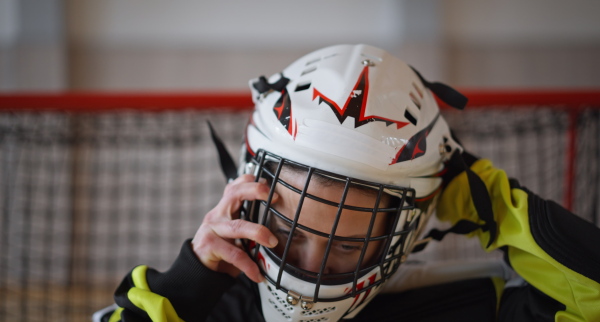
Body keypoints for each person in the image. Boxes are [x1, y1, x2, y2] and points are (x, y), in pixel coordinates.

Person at [95, 44, 600, 322]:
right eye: (291, 233)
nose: (312, 272)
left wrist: (493, 202)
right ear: (247, 198)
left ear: (411, 223)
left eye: (347, 247)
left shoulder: (478, 308)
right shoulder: (200, 311)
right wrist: (184, 289)